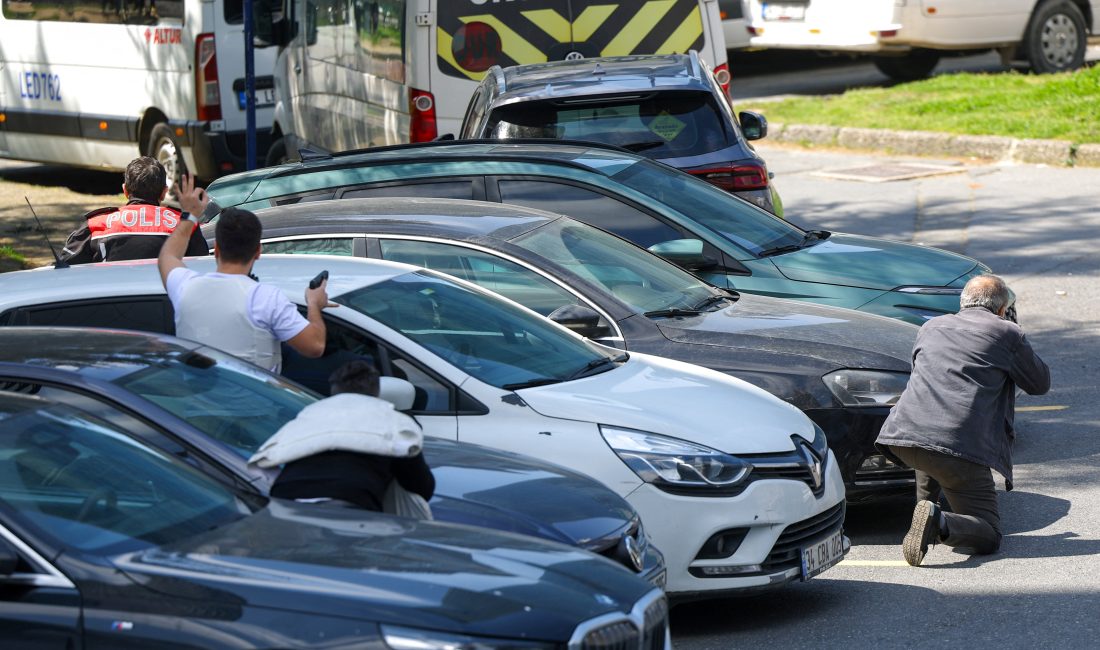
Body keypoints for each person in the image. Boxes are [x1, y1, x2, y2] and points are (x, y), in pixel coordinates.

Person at [876, 274, 1050, 566]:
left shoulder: (931, 327)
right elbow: (1039, 383)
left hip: (902, 434)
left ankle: (925, 512)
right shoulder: (1007, 333)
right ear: (1001, 309)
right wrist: (1015, 335)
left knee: (931, 449)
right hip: (957, 445)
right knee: (989, 534)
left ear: (962, 302)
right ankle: (939, 523)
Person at [157, 174, 329, 372]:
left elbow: (168, 255)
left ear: (217, 250)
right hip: (254, 394)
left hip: (195, 393)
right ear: (258, 252)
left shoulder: (185, 288)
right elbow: (315, 346)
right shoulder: (267, 299)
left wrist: (190, 215)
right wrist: (314, 304)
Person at [251, 360, 436, 513]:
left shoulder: (307, 417)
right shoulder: (393, 422)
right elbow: (422, 487)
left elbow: (265, 461)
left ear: (333, 389)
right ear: (377, 391)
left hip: (285, 500)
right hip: (352, 504)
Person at [63, 156, 208, 263]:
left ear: (125, 191)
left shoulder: (95, 225)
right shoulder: (186, 226)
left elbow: (65, 270)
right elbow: (201, 269)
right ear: (164, 192)